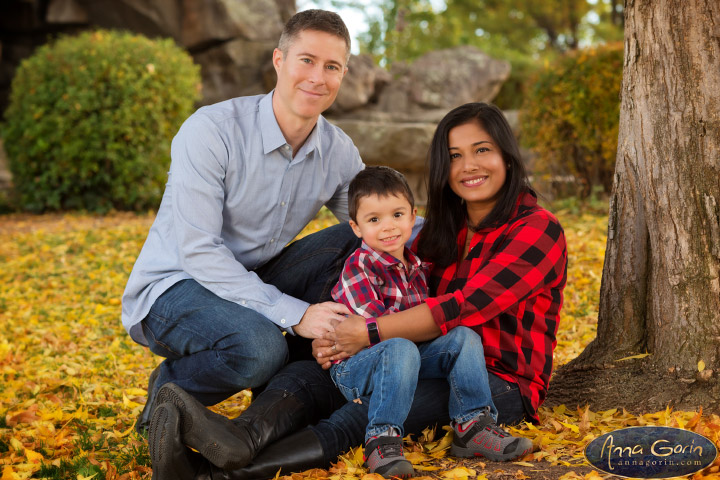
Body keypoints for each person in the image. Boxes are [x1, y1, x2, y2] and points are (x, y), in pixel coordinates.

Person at [151, 102, 568, 480]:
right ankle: (238, 438)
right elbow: (383, 283)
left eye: (482, 150)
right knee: (312, 375)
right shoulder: (442, 229)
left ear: (507, 157)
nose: (468, 166)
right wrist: (335, 341)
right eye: (455, 156)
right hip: (417, 352)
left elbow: (463, 308)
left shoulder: (537, 229)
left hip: (499, 380)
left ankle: (210, 476)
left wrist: (365, 333)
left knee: (362, 414)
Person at [120, 9, 367, 478]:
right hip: (175, 286)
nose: (318, 78)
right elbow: (198, 250)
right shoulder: (212, 130)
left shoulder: (338, 151)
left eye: (332, 66)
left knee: (351, 241)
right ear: (278, 60)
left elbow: (383, 223)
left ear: (344, 74)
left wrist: (471, 236)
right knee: (259, 348)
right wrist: (295, 313)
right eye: (307, 61)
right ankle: (165, 398)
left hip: (253, 280)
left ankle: (287, 397)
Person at [329, 166, 532, 477]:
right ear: (356, 227)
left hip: (406, 355)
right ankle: (381, 439)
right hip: (357, 366)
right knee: (398, 346)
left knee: (463, 337)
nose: (388, 227)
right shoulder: (361, 267)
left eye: (397, 215)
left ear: (413, 216)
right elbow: (378, 332)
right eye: (374, 220)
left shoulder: (416, 266)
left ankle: (472, 426)